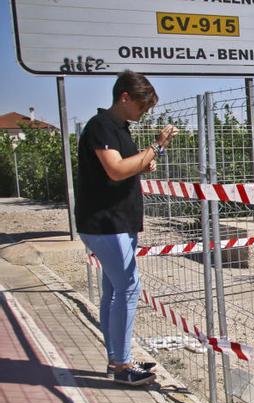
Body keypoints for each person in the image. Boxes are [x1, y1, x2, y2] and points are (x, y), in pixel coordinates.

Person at [75, 70, 179, 386]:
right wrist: (156, 147)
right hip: (106, 223)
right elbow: (117, 169)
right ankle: (122, 366)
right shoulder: (100, 127)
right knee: (129, 288)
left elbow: (125, 165)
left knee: (113, 291)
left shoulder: (119, 127)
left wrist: (144, 162)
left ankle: (115, 359)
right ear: (124, 97)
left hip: (117, 222)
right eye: (142, 106)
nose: (144, 112)